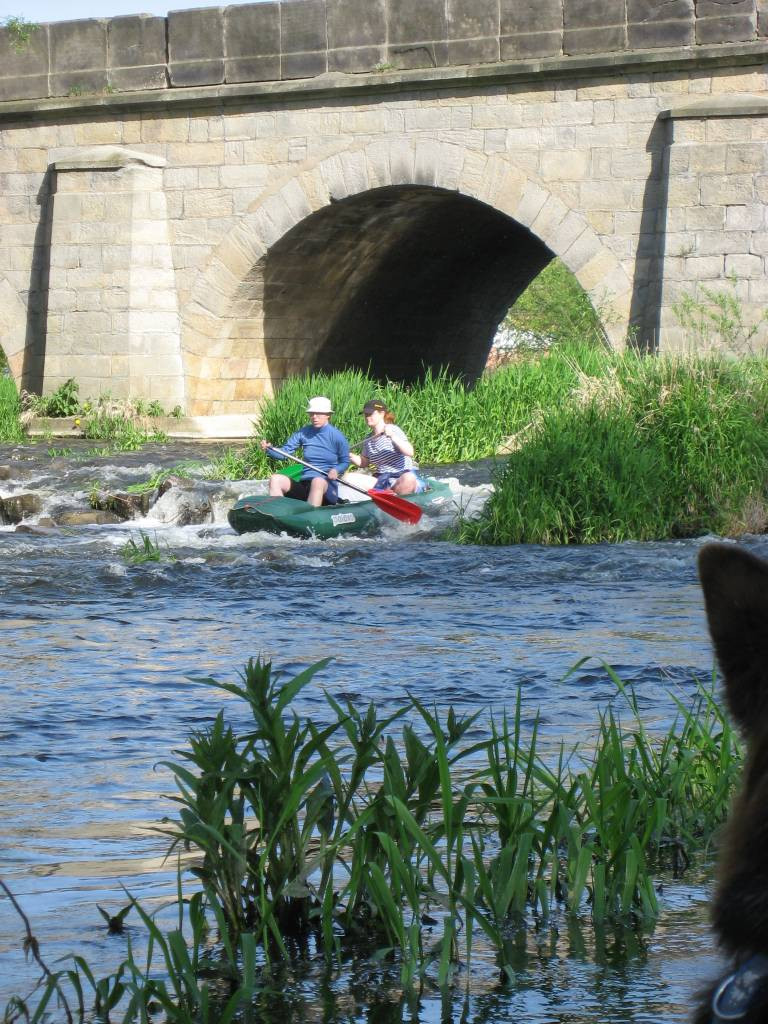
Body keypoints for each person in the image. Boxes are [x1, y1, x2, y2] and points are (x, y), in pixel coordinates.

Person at [260, 396, 350, 506]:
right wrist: (269, 449)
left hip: (326, 487)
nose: (314, 417)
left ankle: (311, 514)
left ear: (328, 415)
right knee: (275, 479)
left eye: (318, 413)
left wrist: (336, 470)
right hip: (305, 484)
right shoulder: (303, 433)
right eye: (311, 413)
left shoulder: (337, 436)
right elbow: (284, 454)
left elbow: (345, 462)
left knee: (317, 481)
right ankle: (278, 511)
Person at [348, 399, 426, 495]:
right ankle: (384, 495)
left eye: (370, 414)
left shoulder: (394, 430)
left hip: (400, 478)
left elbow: (410, 452)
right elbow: (364, 462)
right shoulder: (368, 439)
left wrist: (392, 436)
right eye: (366, 414)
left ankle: (397, 497)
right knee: (348, 478)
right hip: (382, 479)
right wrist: (348, 455)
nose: (367, 417)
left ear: (382, 414)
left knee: (409, 478)